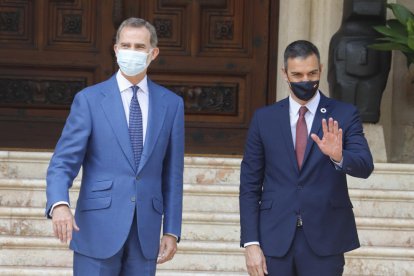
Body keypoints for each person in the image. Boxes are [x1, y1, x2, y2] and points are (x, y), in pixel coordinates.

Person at [45, 17, 184, 275]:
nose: (131, 51)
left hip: (146, 233)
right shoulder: (89, 100)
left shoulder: (171, 104)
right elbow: (63, 162)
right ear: (116, 49)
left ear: (153, 53)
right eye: (125, 45)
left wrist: (172, 230)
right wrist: (59, 203)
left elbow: (173, 174)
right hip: (97, 229)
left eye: (139, 47)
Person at [239, 40, 374, 276]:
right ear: (285, 74)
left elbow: (365, 166)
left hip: (325, 238)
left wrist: (339, 156)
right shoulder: (264, 119)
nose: (305, 81)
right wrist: (251, 243)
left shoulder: (344, 114)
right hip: (274, 238)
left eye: (312, 73)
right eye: (298, 75)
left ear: (320, 69)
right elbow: (250, 185)